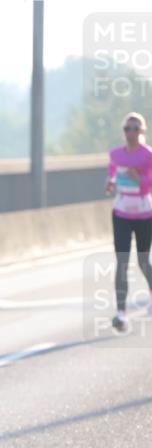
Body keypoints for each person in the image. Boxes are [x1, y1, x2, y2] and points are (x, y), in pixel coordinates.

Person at [104, 112, 152, 332]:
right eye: (126, 128)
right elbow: (112, 172)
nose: (130, 133)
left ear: (142, 131)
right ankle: (121, 314)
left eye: (134, 128)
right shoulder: (115, 154)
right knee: (122, 261)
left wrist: (139, 179)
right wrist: (111, 182)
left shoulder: (148, 155)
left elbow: (149, 184)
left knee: (143, 260)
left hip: (143, 213)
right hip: (121, 212)